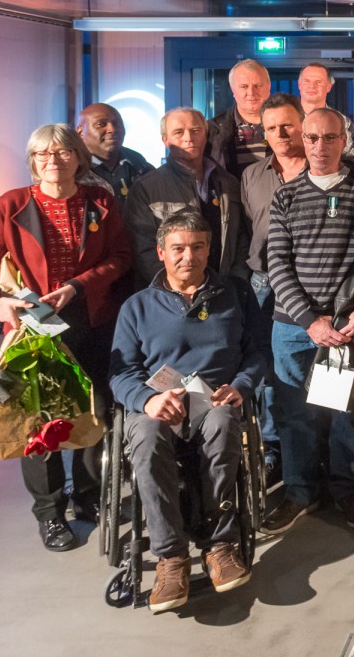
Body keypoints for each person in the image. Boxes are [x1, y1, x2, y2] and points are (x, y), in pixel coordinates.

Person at [0, 124, 131, 551]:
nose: (52, 161)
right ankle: (51, 513)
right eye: (42, 154)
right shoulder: (11, 204)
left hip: (91, 317)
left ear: (78, 157)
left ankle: (87, 495)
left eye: (62, 153)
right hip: (32, 326)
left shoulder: (100, 202)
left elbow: (120, 257)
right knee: (38, 423)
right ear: (32, 160)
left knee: (95, 410)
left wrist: (78, 286)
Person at [109, 211, 266, 612]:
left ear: (209, 250)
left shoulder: (236, 294)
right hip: (158, 404)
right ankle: (171, 557)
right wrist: (147, 400)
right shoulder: (137, 307)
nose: (188, 256)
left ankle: (220, 545)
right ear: (161, 252)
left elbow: (256, 353)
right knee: (145, 436)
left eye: (198, 247)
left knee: (224, 421)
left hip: (214, 402)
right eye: (178, 248)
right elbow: (120, 373)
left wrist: (241, 385)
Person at [261, 107, 354, 535]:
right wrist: (310, 320)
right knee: (294, 414)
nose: (320, 146)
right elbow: (277, 264)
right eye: (312, 138)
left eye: (330, 137)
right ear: (303, 140)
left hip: (347, 325)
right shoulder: (286, 195)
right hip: (294, 327)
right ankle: (299, 492)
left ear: (343, 140)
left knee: (344, 414)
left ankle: (347, 488)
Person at [239, 93, 308, 489]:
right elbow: (250, 228)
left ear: (302, 124)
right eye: (271, 128)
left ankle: (311, 454)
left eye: (287, 125)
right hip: (263, 283)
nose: (280, 134)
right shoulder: (252, 175)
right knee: (266, 370)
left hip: (310, 283)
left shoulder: (323, 170)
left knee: (305, 374)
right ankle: (273, 450)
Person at [127, 108, 249, 285]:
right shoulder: (146, 188)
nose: (188, 138)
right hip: (172, 293)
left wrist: (235, 283)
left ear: (205, 135)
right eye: (178, 132)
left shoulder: (228, 182)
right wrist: (176, 289)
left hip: (225, 288)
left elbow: (241, 237)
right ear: (165, 140)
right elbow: (143, 250)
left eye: (195, 130)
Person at [75, 102, 154, 208]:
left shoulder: (139, 165)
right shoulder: (71, 170)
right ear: (81, 132)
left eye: (117, 124)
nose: (112, 129)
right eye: (101, 124)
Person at [209, 58, 271, 179]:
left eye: (258, 86)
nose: (251, 93)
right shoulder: (212, 131)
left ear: (269, 87)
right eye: (244, 86)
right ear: (233, 90)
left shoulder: (288, 126)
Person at [298, 63, 354, 170]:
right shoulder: (286, 118)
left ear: (328, 87)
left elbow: (352, 161)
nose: (312, 86)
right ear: (299, 85)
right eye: (307, 81)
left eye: (318, 82)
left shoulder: (342, 121)